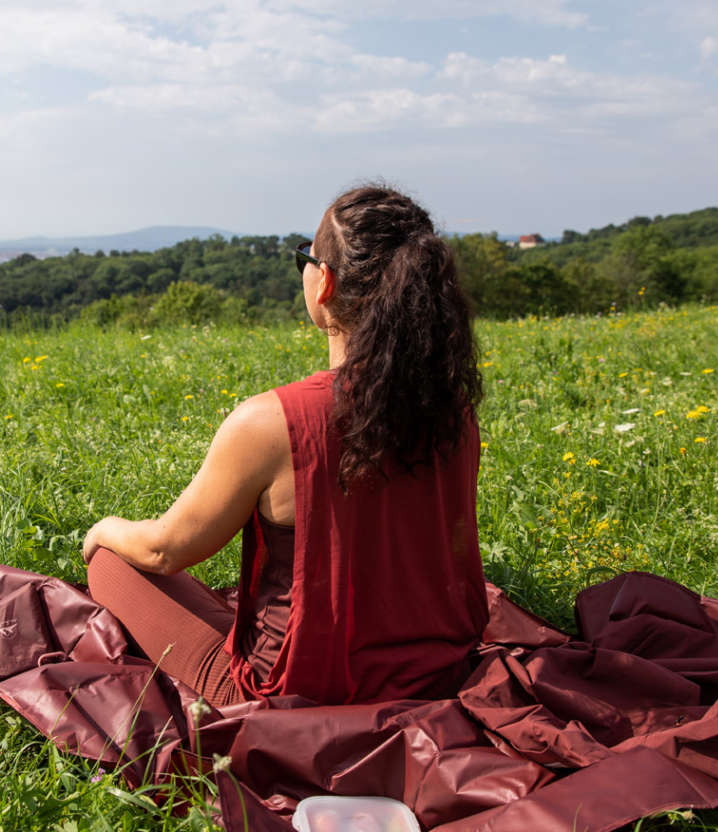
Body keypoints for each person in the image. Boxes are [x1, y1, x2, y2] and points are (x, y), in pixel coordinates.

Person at [81, 184, 488, 706]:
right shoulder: (454, 410)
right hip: (438, 674)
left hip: (294, 696)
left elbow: (165, 550)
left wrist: (104, 529)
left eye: (307, 256)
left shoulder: (272, 423)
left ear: (326, 283)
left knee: (111, 563)